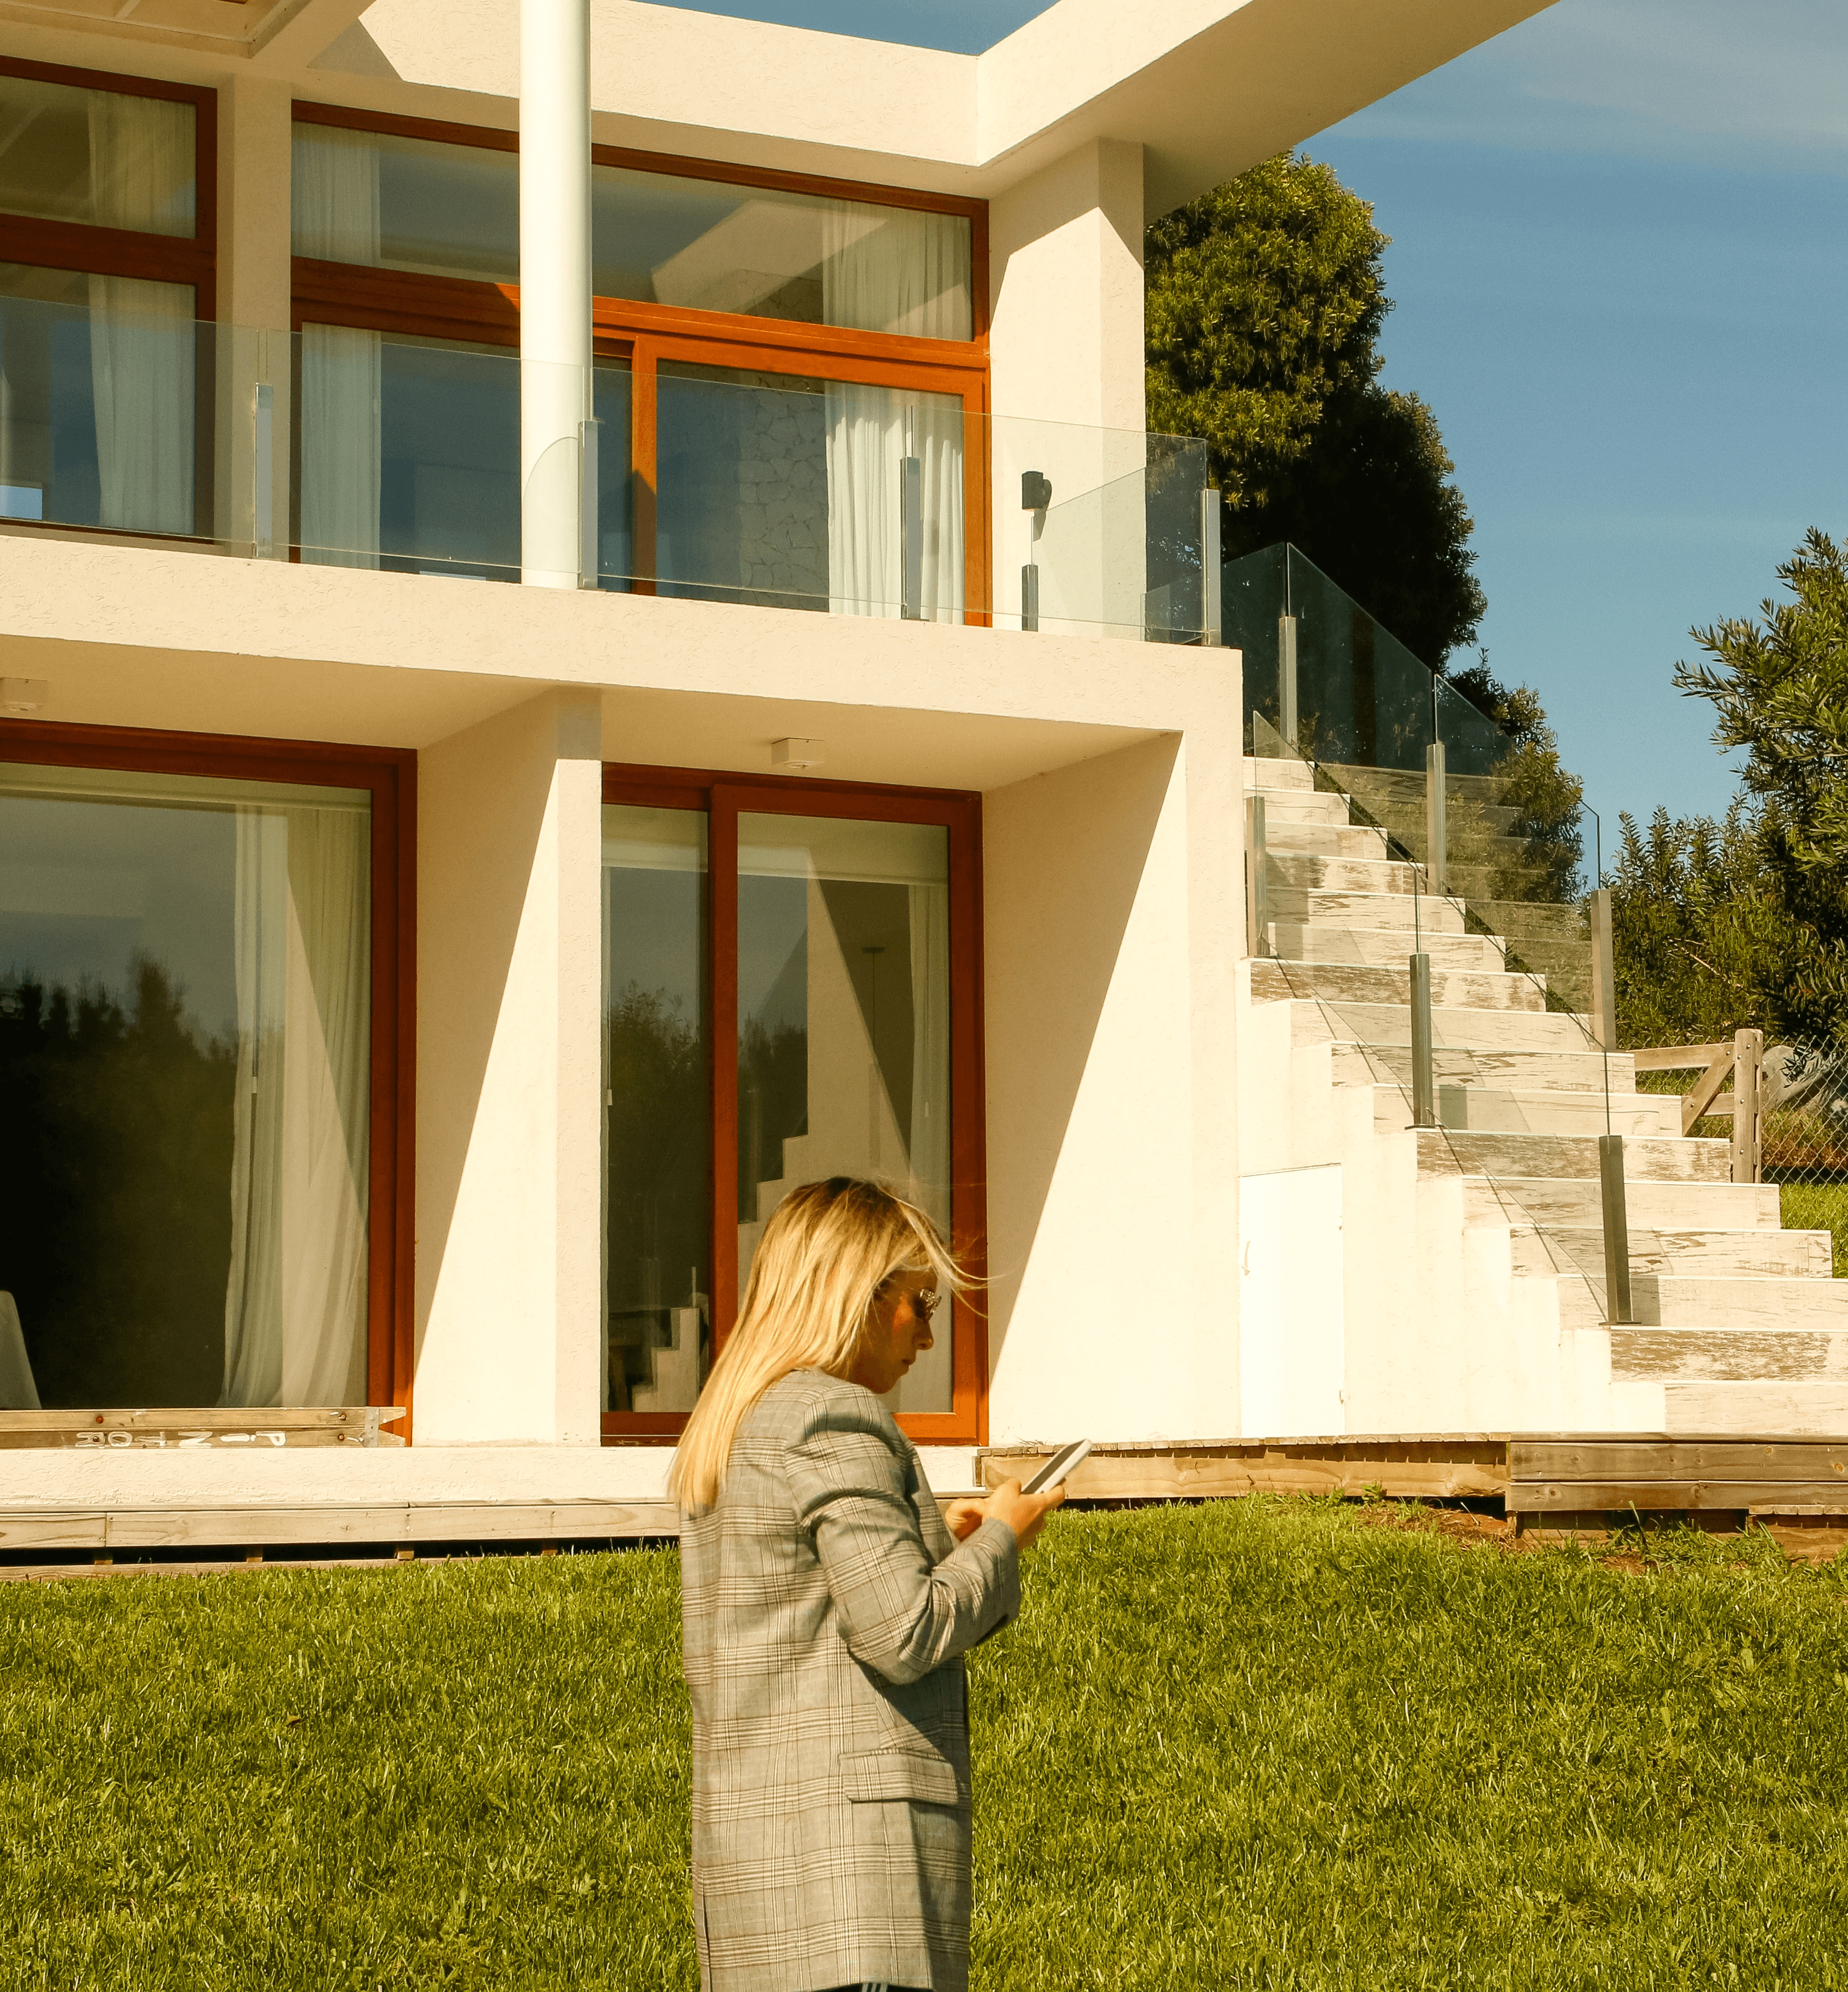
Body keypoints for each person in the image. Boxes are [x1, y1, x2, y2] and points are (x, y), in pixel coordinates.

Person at [672, 1176, 1064, 1992]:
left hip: (757, 1886)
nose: (929, 1334)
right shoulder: (835, 1415)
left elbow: (813, 1604)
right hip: (851, 1894)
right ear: (857, 1293)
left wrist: (941, 1544)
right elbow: (903, 1631)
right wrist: (1003, 1534)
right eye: (921, 1302)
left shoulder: (737, 1419)